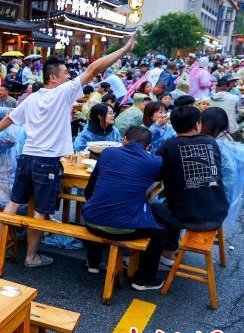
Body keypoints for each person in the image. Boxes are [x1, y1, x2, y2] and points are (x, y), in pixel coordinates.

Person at [0, 34, 137, 267]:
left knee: (15, 202)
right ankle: (31, 256)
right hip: (46, 162)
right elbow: (95, 67)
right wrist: (125, 49)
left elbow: (10, 117)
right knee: (40, 210)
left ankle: (0, 247)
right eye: (66, 73)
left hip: (26, 158)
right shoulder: (62, 91)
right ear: (54, 78)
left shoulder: (33, 97)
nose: (70, 76)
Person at [81, 127, 167, 290]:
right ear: (148, 147)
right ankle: (143, 280)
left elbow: (89, 190)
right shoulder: (154, 162)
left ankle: (93, 263)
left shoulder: (107, 154)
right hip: (125, 230)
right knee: (160, 232)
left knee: (96, 207)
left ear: (124, 139)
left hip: (91, 223)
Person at [151, 106, 229, 265]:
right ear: (197, 125)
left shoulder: (168, 145)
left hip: (188, 217)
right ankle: (170, 248)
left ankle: (167, 251)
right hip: (219, 211)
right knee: (174, 201)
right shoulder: (211, 142)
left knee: (155, 206)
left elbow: (155, 175)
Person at [200, 107, 244, 228]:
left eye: (201, 122)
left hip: (218, 196)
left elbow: (227, 176)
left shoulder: (218, 144)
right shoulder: (226, 137)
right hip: (225, 193)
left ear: (208, 124)